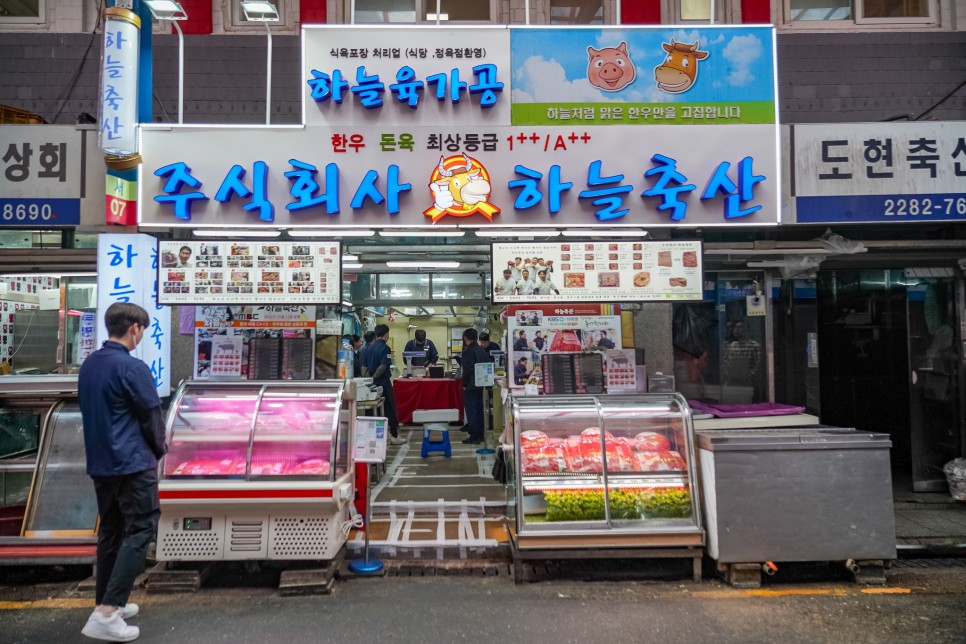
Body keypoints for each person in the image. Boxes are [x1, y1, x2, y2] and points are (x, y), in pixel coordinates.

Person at [78, 302, 166, 643]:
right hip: (131, 463)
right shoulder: (132, 368)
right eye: (142, 328)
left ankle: (107, 599)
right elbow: (151, 416)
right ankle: (108, 611)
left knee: (112, 531)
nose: (141, 334)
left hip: (101, 463)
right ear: (134, 328)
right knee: (141, 527)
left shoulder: (90, 365)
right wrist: (159, 451)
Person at [363, 324, 406, 445]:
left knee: (371, 409)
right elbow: (383, 366)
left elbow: (363, 366)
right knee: (390, 408)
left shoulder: (368, 348)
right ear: (386, 334)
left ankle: (370, 436)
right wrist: (375, 376)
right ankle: (394, 436)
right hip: (383, 382)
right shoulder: (385, 348)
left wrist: (369, 379)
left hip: (370, 384)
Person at [460, 328, 491, 445]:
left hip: (471, 386)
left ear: (465, 338)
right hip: (480, 383)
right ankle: (480, 434)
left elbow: (467, 370)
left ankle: (474, 436)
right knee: (479, 410)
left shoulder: (468, 351)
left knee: (472, 411)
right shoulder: (481, 350)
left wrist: (464, 384)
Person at [723, 320, 761, 398]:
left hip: (748, 382)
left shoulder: (754, 346)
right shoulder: (731, 346)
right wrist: (728, 374)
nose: (736, 330)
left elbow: (758, 364)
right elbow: (725, 362)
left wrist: (749, 375)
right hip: (732, 381)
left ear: (747, 330)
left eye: (740, 327)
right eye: (735, 327)